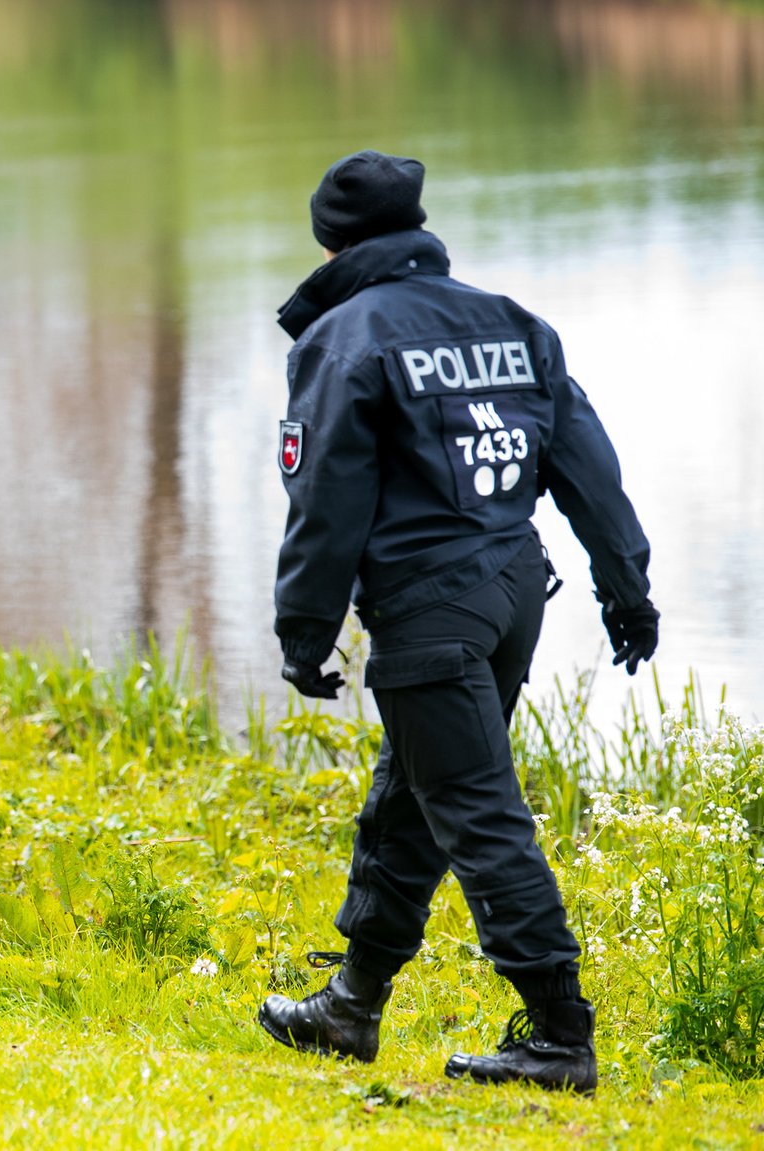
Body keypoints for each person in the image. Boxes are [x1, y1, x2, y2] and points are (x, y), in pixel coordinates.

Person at [256, 151, 658, 1095]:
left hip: (429, 603)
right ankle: (350, 1004)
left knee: (476, 808)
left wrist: (302, 631)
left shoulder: (344, 338)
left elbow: (326, 498)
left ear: (330, 239)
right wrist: (626, 585)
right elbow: (586, 468)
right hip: (515, 590)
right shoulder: (515, 323)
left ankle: (559, 1034)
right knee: (417, 792)